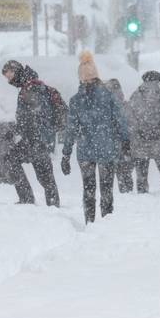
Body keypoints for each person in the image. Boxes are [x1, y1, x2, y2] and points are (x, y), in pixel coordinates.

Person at [61, 52, 130, 224]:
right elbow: (120, 120)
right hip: (106, 148)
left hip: (85, 150)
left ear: (80, 77)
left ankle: (89, 222)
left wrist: (66, 154)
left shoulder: (76, 100)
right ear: (96, 75)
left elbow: (70, 129)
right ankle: (106, 222)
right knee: (107, 189)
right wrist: (125, 141)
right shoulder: (109, 96)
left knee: (88, 189)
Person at [1, 60, 60, 207]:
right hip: (41, 138)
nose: (8, 79)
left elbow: (31, 116)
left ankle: (30, 200)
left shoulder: (31, 88)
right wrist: (17, 130)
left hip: (36, 138)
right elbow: (30, 116)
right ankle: (52, 205)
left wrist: (17, 130)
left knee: (12, 160)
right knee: (45, 175)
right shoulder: (35, 86)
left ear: (15, 71)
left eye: (8, 75)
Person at [128, 70, 160, 193]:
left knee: (141, 176)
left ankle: (142, 195)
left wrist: (140, 126)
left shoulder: (137, 94)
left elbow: (129, 116)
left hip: (140, 140)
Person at [104, 78, 134, 193]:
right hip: (128, 142)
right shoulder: (127, 105)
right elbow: (131, 123)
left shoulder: (106, 105)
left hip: (115, 141)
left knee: (120, 169)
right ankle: (127, 189)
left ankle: (124, 189)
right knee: (126, 168)